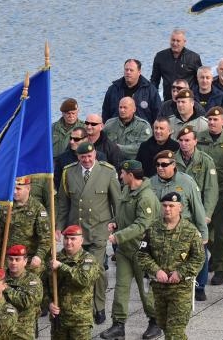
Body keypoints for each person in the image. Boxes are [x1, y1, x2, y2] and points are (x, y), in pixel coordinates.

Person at [54, 141, 119, 325]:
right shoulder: (69, 172)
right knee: (75, 268)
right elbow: (63, 202)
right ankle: (76, 305)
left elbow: (117, 202)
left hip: (99, 230)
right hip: (76, 232)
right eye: (83, 157)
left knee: (96, 270)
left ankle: (98, 307)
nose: (87, 160)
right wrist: (59, 226)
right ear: (78, 157)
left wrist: (115, 222)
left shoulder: (107, 171)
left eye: (90, 156)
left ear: (95, 155)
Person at [100, 160, 162, 340]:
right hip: (125, 250)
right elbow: (122, 213)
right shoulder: (127, 190)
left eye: (122, 173)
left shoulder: (146, 197)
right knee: (121, 287)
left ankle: (154, 322)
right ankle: (118, 324)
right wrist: (114, 221)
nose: (120, 176)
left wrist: (119, 236)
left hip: (142, 251)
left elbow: (142, 225)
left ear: (131, 175)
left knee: (144, 290)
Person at [137, 193, 205, 338]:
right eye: (165, 205)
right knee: (164, 326)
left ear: (180, 207)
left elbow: (199, 257)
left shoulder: (190, 231)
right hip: (159, 288)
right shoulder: (153, 228)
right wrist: (156, 271)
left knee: (175, 331)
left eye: (172, 206)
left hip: (181, 289)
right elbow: (142, 254)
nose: (168, 209)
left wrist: (180, 272)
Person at [173, 126, 218, 302]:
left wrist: (206, 214)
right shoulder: (172, 160)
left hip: (197, 214)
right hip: (178, 215)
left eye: (188, 140)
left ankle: (200, 285)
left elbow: (211, 190)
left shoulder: (205, 161)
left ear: (195, 141)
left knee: (200, 250)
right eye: (181, 140)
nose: (184, 144)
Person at [196, 107, 223, 287]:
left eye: (216, 120)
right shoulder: (200, 139)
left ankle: (220, 268)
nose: (212, 123)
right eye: (210, 120)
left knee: (220, 234)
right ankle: (212, 260)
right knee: (207, 232)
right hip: (204, 194)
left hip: (222, 194)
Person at [48, 226, 103, 340]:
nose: (68, 242)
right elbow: (44, 286)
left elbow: (83, 280)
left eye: (73, 239)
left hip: (80, 321)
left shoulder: (89, 260)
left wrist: (61, 267)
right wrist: (49, 303)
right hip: (59, 318)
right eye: (66, 238)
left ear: (81, 240)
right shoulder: (55, 258)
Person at [0, 177, 49, 272]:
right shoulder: (5, 207)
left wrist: (38, 256)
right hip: (8, 260)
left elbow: (45, 238)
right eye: (13, 188)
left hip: (28, 260)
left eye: (18, 189)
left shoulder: (37, 209)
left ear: (28, 188)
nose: (14, 192)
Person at [102, 59, 162, 125]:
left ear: (139, 72)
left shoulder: (150, 90)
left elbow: (158, 114)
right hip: (117, 130)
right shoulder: (113, 89)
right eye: (126, 70)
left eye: (131, 70)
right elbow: (105, 113)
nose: (128, 72)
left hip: (142, 131)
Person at [150, 29, 202, 101]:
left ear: (184, 42)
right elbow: (154, 80)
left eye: (178, 41)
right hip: (168, 99)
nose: (175, 43)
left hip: (187, 99)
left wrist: (196, 98)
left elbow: (199, 81)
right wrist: (153, 97)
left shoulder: (193, 57)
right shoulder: (160, 56)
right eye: (173, 40)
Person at [2, 244, 40, 340]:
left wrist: (6, 289)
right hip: (2, 329)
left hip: (23, 331)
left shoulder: (33, 280)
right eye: (11, 259)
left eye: (17, 259)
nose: (13, 262)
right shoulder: (0, 278)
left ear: (25, 261)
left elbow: (27, 302)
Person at [193, 66, 223, 135]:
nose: (204, 80)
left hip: (216, 137)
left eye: (207, 77)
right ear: (197, 78)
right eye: (202, 77)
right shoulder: (191, 97)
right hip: (195, 136)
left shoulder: (222, 97)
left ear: (212, 79)